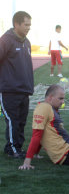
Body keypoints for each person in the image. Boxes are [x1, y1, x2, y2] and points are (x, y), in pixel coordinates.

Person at [18, 84, 69, 170]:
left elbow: (43, 134)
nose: (63, 101)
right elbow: (37, 135)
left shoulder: (50, 108)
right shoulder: (44, 108)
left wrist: (36, 153)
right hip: (67, 154)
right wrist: (27, 161)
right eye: (60, 98)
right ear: (50, 98)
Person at [0, 11, 34, 158]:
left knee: (21, 121)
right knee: (13, 121)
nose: (28, 27)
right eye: (26, 25)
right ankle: (13, 149)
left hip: (24, 90)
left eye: (30, 25)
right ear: (16, 24)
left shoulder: (27, 42)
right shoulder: (6, 41)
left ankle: (15, 148)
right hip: (9, 90)